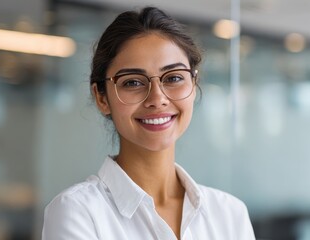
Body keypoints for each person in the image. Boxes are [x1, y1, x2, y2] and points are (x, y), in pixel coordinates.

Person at [42, 6, 255, 240]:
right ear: (102, 98)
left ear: (194, 85)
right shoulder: (78, 212)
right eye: (133, 82)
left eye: (174, 78)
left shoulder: (229, 214)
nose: (157, 99)